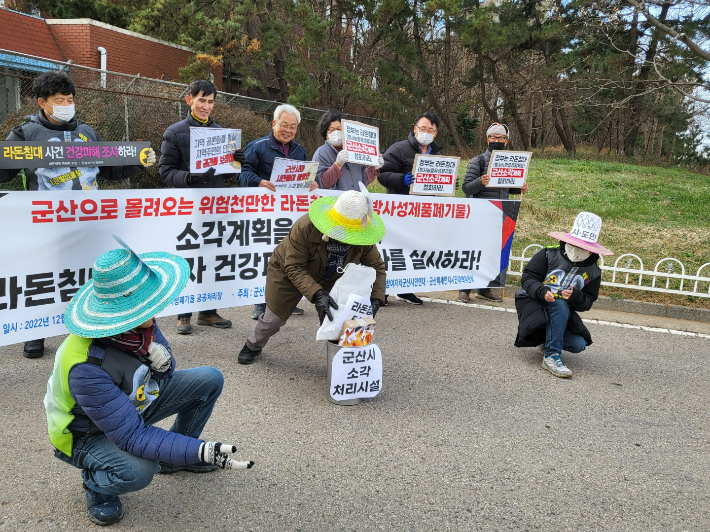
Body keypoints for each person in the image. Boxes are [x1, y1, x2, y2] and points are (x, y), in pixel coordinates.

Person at [44, 236, 253, 526]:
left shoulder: (141, 325)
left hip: (133, 402)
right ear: (121, 314)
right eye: (147, 305)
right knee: (139, 470)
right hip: (86, 433)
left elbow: (164, 373)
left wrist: (164, 362)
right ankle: (96, 484)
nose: (156, 310)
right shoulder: (84, 365)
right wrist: (200, 451)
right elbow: (130, 436)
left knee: (209, 379)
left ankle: (174, 459)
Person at [0, 71, 155, 359]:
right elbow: (5, 170)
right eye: (59, 100)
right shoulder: (25, 133)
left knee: (90, 273)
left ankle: (96, 329)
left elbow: (108, 169)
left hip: (89, 219)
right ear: (42, 103)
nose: (66, 105)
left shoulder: (86, 132)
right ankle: (35, 333)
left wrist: (138, 162)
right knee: (44, 275)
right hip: (47, 223)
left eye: (70, 99)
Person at [237, 187, 387, 365]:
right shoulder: (305, 227)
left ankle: (342, 363)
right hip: (288, 270)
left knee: (342, 318)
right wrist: (317, 293)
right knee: (273, 320)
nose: (348, 238)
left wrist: (377, 298)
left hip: (333, 273)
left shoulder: (363, 234)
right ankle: (253, 344)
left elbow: (377, 267)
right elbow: (293, 266)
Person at [159, 79, 242, 334]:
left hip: (216, 205)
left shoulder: (221, 133)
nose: (206, 106)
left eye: (210, 101)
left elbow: (224, 175)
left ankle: (208, 312)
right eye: (201, 100)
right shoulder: (175, 132)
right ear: (189, 100)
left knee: (214, 258)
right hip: (187, 206)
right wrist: (188, 178)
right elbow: (165, 171)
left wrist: (236, 163)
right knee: (187, 259)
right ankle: (183, 314)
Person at [513, 212, 613, 378]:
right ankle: (551, 355)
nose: (577, 250)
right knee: (558, 304)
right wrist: (542, 291)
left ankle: (548, 342)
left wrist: (575, 296)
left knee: (578, 344)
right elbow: (528, 277)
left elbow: (588, 302)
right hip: (534, 301)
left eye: (583, 247)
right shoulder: (548, 254)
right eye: (575, 245)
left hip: (561, 313)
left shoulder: (594, 272)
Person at [239, 103, 312, 319]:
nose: (288, 130)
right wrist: (258, 181)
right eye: (284, 125)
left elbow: (304, 178)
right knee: (263, 256)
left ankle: (285, 302)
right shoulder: (257, 146)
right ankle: (260, 304)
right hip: (262, 214)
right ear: (273, 124)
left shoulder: (300, 151)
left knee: (290, 256)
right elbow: (241, 174)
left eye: (293, 126)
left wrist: (312, 183)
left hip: (288, 216)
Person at [377, 110, 442, 306]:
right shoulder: (398, 149)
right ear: (415, 129)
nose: (426, 132)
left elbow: (441, 181)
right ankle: (383, 292)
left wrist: (448, 184)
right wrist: (402, 180)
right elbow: (382, 174)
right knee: (392, 250)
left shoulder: (438, 154)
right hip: (399, 210)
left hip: (422, 213)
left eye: (430, 129)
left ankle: (406, 289)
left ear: (436, 133)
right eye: (422, 128)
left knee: (414, 250)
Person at [460, 123, 529, 303]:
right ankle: (464, 290)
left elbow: (505, 188)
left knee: (492, 252)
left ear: (506, 141)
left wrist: (519, 188)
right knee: (473, 252)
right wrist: (481, 182)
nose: (497, 141)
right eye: (493, 138)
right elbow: (466, 188)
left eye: (500, 138)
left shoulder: (509, 162)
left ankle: (485, 289)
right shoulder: (478, 161)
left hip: (500, 213)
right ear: (487, 139)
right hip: (478, 213)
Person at [312, 109, 384, 191]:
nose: (336, 133)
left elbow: (363, 182)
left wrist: (374, 168)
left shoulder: (355, 151)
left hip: (355, 201)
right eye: (331, 130)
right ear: (326, 134)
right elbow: (322, 184)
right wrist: (337, 164)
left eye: (339, 129)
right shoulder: (321, 154)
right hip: (334, 202)